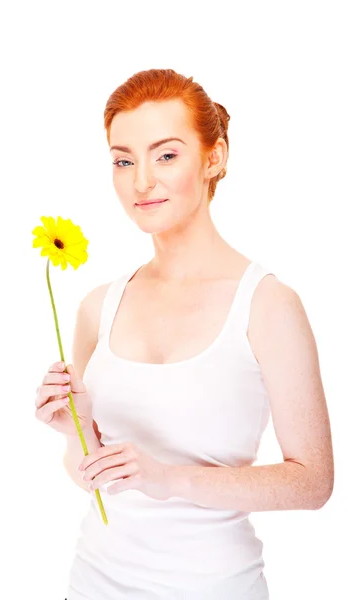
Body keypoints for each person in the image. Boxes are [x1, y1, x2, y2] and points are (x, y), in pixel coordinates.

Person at [34, 68, 334, 599]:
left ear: (213, 157)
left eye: (166, 155)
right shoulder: (97, 306)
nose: (141, 181)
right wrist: (76, 432)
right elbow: (88, 477)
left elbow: (313, 483)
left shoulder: (266, 305)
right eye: (123, 160)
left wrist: (168, 479)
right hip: (93, 583)